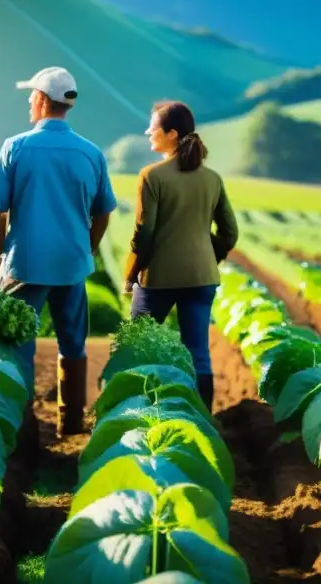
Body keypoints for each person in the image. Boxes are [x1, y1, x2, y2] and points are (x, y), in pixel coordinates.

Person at [0, 66, 117, 436]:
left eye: (31, 96)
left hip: (24, 263)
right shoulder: (91, 153)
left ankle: (22, 424)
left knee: (17, 344)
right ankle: (71, 422)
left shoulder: (16, 146)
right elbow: (104, 212)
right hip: (72, 264)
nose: (29, 101)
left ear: (43, 100)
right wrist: (86, 247)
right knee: (73, 343)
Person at [124, 100, 239, 412]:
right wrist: (206, 253)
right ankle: (202, 417)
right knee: (198, 352)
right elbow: (230, 233)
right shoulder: (212, 178)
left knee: (139, 349)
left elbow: (143, 234)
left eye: (154, 127)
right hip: (202, 277)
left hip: (158, 277)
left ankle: (139, 412)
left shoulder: (152, 176)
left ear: (171, 134)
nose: (148, 131)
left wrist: (131, 274)